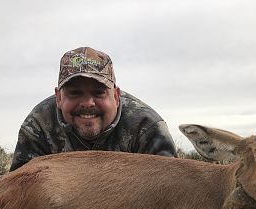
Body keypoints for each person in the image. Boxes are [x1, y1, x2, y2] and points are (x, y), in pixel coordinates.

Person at [10, 47, 177, 171]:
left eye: (99, 92)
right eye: (75, 93)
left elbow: (172, 196)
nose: (88, 103)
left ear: (116, 96)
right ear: (58, 98)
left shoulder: (148, 128)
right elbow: (17, 197)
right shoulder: (37, 126)